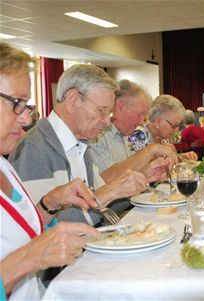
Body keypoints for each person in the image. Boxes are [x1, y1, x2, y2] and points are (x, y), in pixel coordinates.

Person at [9, 64, 171, 226]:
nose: (107, 121)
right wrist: (110, 192)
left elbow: (104, 203)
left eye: (109, 113)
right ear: (73, 100)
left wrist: (142, 179)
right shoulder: (32, 148)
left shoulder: (81, 143)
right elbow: (40, 227)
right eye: (101, 110)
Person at [0, 42, 100, 300]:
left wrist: (50, 204)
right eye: (16, 103)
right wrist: (29, 258)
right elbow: (27, 254)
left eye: (27, 105)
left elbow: (22, 231)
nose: (25, 118)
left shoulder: (5, 165)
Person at [88, 79, 177, 183]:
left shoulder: (126, 134)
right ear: (120, 107)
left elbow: (129, 173)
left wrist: (150, 173)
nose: (141, 123)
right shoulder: (97, 135)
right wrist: (151, 149)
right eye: (139, 115)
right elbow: (106, 181)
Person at [127, 94, 197, 160]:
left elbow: (166, 160)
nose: (176, 130)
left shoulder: (163, 138)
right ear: (158, 122)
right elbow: (136, 168)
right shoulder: (138, 136)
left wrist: (182, 157)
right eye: (174, 125)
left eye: (178, 125)